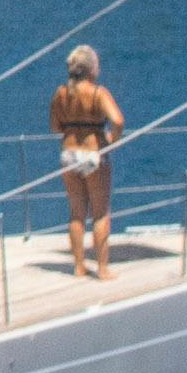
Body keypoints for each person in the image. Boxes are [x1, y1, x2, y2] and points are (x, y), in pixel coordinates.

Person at [50, 44, 127, 280]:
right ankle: (102, 268)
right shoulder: (98, 93)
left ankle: (79, 266)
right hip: (93, 153)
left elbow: (55, 126)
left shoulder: (61, 92)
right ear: (91, 68)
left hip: (69, 153)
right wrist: (112, 139)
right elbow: (118, 120)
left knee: (76, 213)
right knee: (100, 213)